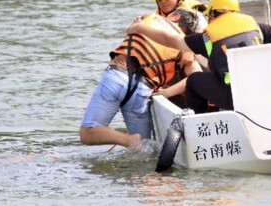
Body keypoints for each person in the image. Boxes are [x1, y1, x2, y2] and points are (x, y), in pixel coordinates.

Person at [127, 0, 271, 114]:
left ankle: (202, 121)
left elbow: (171, 40)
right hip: (263, 90)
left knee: (194, 80)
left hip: (234, 96)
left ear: (213, 13)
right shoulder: (254, 25)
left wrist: (141, 27)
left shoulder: (209, 35)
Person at [79, 8, 203, 149]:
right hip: (143, 90)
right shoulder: (184, 46)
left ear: (175, 16)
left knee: (87, 133)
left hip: (117, 76)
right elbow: (196, 76)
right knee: (144, 149)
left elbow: (130, 29)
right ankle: (137, 145)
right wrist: (167, 92)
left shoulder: (149, 19)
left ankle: (127, 140)